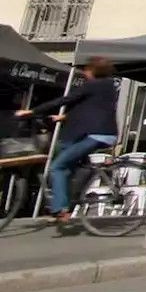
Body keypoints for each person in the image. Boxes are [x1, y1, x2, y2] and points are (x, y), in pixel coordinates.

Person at [16, 57, 119, 223]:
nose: (84, 72)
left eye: (86, 69)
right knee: (68, 167)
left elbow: (64, 100)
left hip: (93, 134)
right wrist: (64, 116)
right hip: (105, 133)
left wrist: (32, 112)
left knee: (56, 167)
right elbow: (89, 109)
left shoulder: (91, 86)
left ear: (91, 71)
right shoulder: (109, 87)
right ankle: (68, 202)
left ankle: (61, 209)